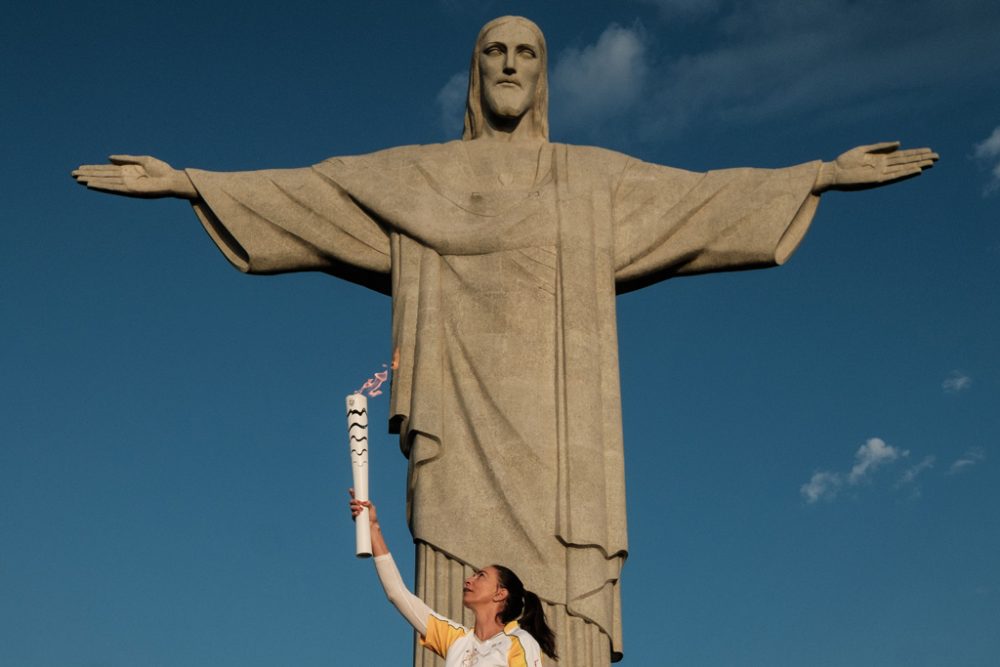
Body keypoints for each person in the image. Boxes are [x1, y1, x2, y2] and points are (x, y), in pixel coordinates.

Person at [72, 15, 936, 665]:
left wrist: (818, 172)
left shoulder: (588, 181)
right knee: (449, 598)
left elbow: (703, 199)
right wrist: (190, 183)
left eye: (527, 53)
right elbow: (315, 195)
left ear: (546, 74)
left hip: (564, 446)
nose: (511, 65)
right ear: (474, 72)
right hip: (459, 431)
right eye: (495, 51)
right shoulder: (421, 177)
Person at [350, 490, 556, 666]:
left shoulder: (520, 641)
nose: (469, 580)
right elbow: (398, 594)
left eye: (481, 576)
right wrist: (373, 529)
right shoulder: (456, 640)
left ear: (500, 593)